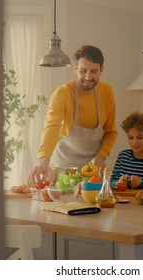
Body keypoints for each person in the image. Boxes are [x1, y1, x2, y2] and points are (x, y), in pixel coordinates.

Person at [27, 45, 117, 188]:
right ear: (75, 69)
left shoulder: (107, 92)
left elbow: (110, 132)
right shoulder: (62, 93)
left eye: (94, 71)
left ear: (101, 70)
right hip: (61, 173)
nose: (88, 77)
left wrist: (101, 156)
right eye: (83, 71)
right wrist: (43, 159)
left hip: (92, 176)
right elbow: (51, 126)